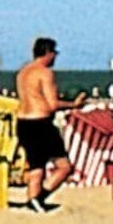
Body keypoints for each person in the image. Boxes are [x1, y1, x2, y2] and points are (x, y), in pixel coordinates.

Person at [14, 36, 68, 210]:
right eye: (54, 53)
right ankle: (38, 198)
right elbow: (52, 105)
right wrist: (74, 104)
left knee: (36, 166)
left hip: (23, 122)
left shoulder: (22, 72)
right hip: (41, 123)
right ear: (48, 53)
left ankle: (33, 201)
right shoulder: (45, 73)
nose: (55, 58)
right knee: (64, 167)